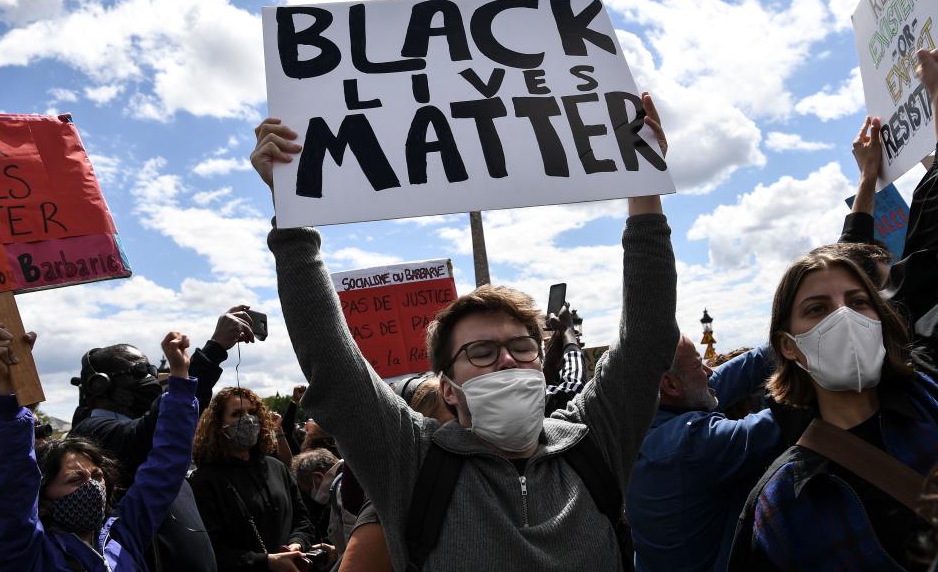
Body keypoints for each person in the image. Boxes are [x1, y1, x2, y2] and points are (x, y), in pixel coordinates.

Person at [251, 92, 678, 570]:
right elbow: (330, 360)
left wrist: (645, 183)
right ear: (448, 389)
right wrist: (291, 214)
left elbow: (647, 337)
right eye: (481, 352)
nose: (508, 360)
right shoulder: (412, 460)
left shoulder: (590, 441)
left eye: (522, 346)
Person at [728, 244, 938, 571]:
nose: (845, 317)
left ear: (879, 320)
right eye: (817, 309)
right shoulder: (783, 502)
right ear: (789, 346)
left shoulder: (931, 401)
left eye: (858, 302)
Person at [0, 323, 198, 571]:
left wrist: (180, 377)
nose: (92, 485)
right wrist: (8, 391)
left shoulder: (124, 537)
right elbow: (11, 481)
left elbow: (166, 468)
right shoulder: (27, 553)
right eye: (75, 479)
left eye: (97, 475)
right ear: (43, 500)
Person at [68, 304, 257, 572]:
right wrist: (213, 350)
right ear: (100, 385)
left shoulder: (146, 423)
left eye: (151, 373)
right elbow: (154, 432)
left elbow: (174, 419)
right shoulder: (90, 435)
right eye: (137, 373)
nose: (149, 380)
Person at [626, 340, 783, 572]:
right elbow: (784, 419)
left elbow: (748, 365)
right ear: (670, 384)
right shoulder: (689, 442)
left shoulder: (646, 418)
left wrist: (788, 337)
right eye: (699, 365)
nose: (710, 372)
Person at [189, 387, 317, 571]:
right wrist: (266, 561)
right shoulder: (206, 480)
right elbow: (211, 548)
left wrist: (297, 544)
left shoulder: (276, 467)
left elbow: (302, 520)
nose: (248, 419)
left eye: (252, 412)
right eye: (237, 414)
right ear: (219, 426)